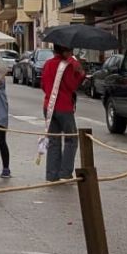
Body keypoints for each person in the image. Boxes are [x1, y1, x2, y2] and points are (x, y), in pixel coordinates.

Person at [39, 43, 83, 181]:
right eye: (70, 50)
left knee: (53, 140)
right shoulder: (67, 65)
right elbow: (72, 85)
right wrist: (80, 73)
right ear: (65, 51)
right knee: (71, 140)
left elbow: (43, 85)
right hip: (64, 107)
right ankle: (65, 173)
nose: (71, 53)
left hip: (49, 106)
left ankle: (52, 175)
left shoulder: (47, 64)